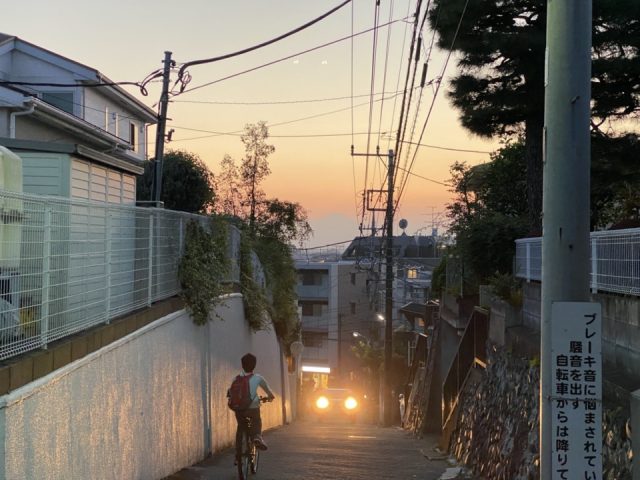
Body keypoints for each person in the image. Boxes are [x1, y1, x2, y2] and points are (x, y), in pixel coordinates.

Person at [229, 353, 275, 453]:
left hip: (239, 409)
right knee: (256, 421)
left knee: (241, 426)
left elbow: (230, 393)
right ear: (254, 365)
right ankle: (257, 437)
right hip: (253, 407)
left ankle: (238, 454)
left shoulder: (236, 379)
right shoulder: (258, 378)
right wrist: (270, 397)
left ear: (242, 365)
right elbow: (269, 392)